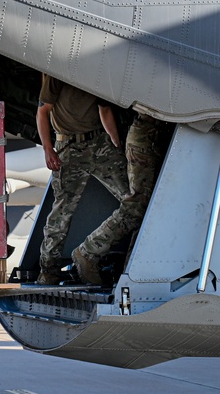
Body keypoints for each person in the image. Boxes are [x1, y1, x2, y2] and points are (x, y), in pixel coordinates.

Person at [35, 75, 128, 285]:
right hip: (69, 147)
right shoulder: (57, 72)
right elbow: (43, 111)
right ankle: (48, 270)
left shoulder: (98, 70)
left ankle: (89, 252)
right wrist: (48, 149)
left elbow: (104, 110)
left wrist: (115, 143)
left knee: (133, 201)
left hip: (98, 143)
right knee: (62, 211)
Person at [72, 114, 173, 284]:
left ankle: (132, 269)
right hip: (147, 137)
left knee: (148, 211)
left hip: (151, 136)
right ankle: (89, 251)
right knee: (137, 207)